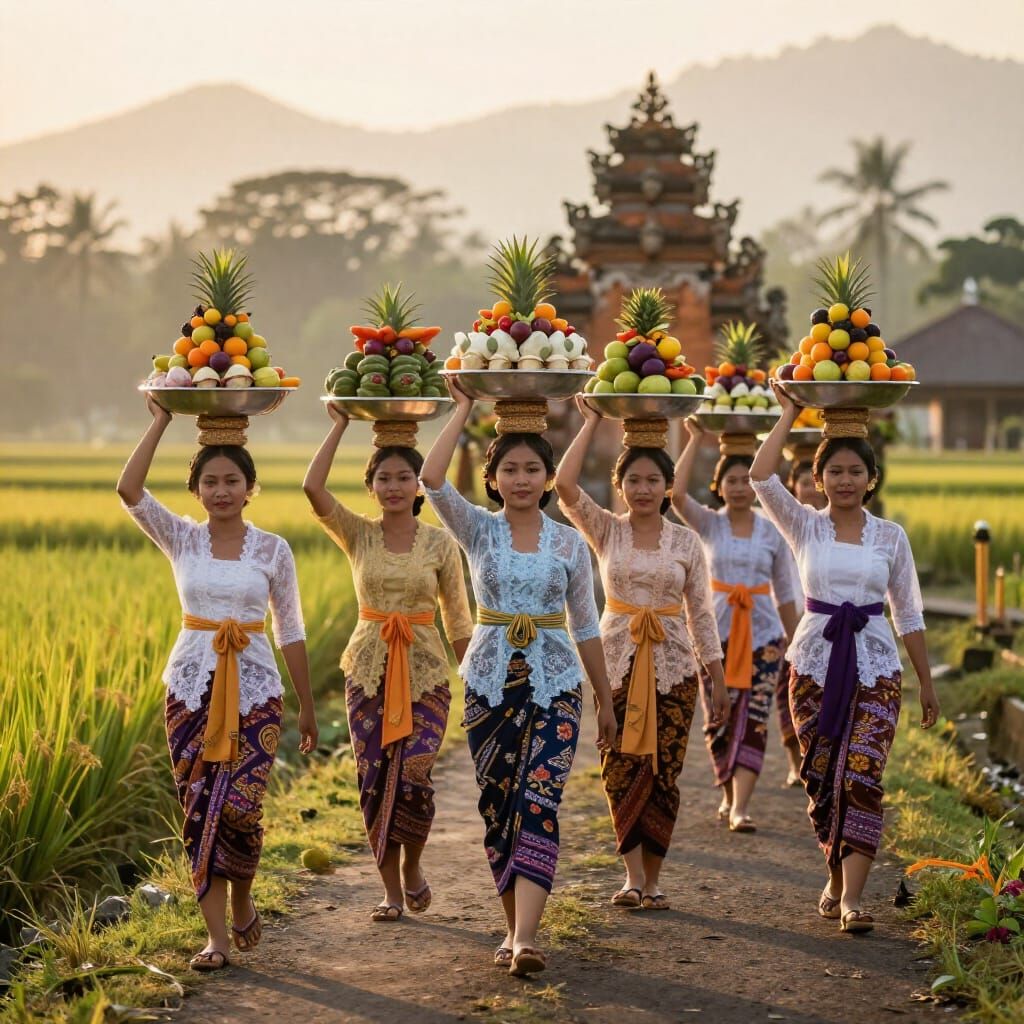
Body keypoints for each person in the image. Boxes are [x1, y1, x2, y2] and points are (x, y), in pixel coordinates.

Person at [420, 382, 617, 977]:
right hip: (488, 683)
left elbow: (586, 625)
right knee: (497, 803)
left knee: (540, 797)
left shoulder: (569, 544)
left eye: (534, 468)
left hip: (556, 684)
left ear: (549, 476)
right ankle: (511, 929)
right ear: (494, 477)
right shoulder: (476, 530)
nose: (523, 478)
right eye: (511, 468)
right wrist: (463, 407)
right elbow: (431, 479)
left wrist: (605, 701)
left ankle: (526, 937)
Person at [116, 396, 318, 971]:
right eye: (210, 481)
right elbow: (129, 491)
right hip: (189, 686)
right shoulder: (180, 538)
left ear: (250, 488)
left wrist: (305, 704)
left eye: (232, 480)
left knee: (241, 806)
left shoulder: (273, 549)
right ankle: (217, 940)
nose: (221, 490)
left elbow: (292, 629)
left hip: (256, 687)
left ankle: (244, 893)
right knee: (200, 805)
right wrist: (160, 421)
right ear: (197, 490)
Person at [750, 384, 940, 932]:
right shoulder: (805, 524)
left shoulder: (891, 537)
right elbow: (762, 477)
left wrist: (926, 681)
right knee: (823, 777)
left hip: (877, 666)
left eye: (856, 471)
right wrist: (789, 412)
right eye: (835, 472)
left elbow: (908, 612)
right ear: (818, 479)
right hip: (813, 664)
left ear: (871, 478)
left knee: (863, 772)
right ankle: (835, 875)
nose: (846, 480)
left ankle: (854, 899)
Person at [555, 398, 728, 911]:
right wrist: (591, 421)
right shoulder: (607, 530)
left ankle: (653, 880)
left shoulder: (686, 543)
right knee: (618, 765)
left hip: (675, 668)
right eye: (634, 481)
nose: (644, 490)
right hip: (615, 664)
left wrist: (716, 676)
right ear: (620, 486)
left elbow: (700, 614)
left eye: (654, 481)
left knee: (663, 770)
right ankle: (632, 877)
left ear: (668, 487)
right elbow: (564, 488)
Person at [303, 405, 472, 921]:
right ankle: (390, 892)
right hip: (367, 668)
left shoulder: (441, 544)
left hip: (425, 672)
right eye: (384, 478)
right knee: (373, 777)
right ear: (371, 486)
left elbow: (459, 621)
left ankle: (413, 866)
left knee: (416, 772)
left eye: (404, 477)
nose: (394, 486)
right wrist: (339, 425)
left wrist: (477, 684)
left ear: (419, 485)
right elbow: (313, 489)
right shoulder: (359, 534)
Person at [671, 422, 799, 832]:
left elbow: (785, 593)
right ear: (719, 485)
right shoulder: (709, 524)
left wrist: (798, 644)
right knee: (718, 720)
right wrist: (694, 439)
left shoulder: (773, 530)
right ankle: (727, 795)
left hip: (765, 637)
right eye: (732, 480)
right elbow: (674, 495)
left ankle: (742, 805)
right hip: (714, 638)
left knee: (756, 716)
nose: (741, 487)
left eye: (747, 479)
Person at [777, 459, 828, 787]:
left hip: (824, 626)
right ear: (793, 486)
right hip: (785, 624)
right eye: (802, 483)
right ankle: (796, 764)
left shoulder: (830, 529)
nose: (808, 489)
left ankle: (822, 763)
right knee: (790, 697)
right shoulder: (786, 526)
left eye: (814, 482)